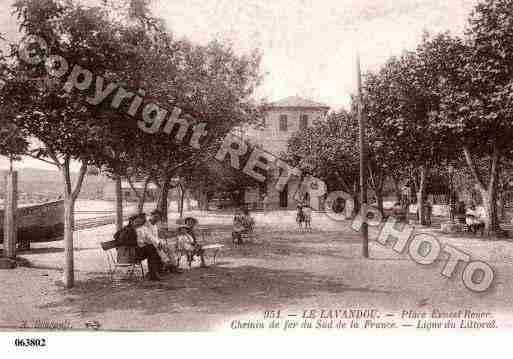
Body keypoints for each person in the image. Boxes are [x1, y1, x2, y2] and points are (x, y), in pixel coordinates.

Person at [146, 210, 182, 274]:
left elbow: (156, 237)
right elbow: (149, 237)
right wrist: (158, 243)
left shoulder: (155, 225)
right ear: (151, 216)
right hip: (148, 244)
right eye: (155, 216)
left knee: (169, 248)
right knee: (159, 249)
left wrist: (161, 242)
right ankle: (168, 265)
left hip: (155, 243)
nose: (156, 219)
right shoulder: (147, 224)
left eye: (158, 217)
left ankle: (173, 266)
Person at [133, 213, 163, 281]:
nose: (142, 220)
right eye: (139, 219)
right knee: (152, 249)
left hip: (143, 250)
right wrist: (144, 242)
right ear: (134, 220)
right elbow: (134, 242)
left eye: (143, 219)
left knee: (153, 249)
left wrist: (158, 243)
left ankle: (154, 273)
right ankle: (154, 273)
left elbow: (151, 237)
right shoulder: (131, 229)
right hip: (135, 252)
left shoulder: (144, 228)